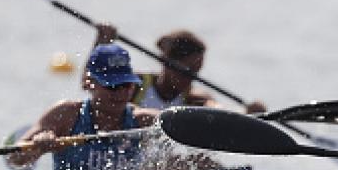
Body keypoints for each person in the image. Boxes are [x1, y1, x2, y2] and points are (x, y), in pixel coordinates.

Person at [11, 43, 218, 170]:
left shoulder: (142, 121)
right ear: (91, 83)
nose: (120, 93)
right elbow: (15, 159)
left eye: (126, 86)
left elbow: (163, 158)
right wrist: (40, 146)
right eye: (112, 86)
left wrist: (194, 163)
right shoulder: (66, 114)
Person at [88, 24, 266, 113]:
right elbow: (90, 83)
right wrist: (101, 44)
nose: (192, 79)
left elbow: (218, 111)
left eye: (196, 72)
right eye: (187, 71)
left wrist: (246, 114)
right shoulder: (134, 85)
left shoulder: (195, 99)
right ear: (166, 62)